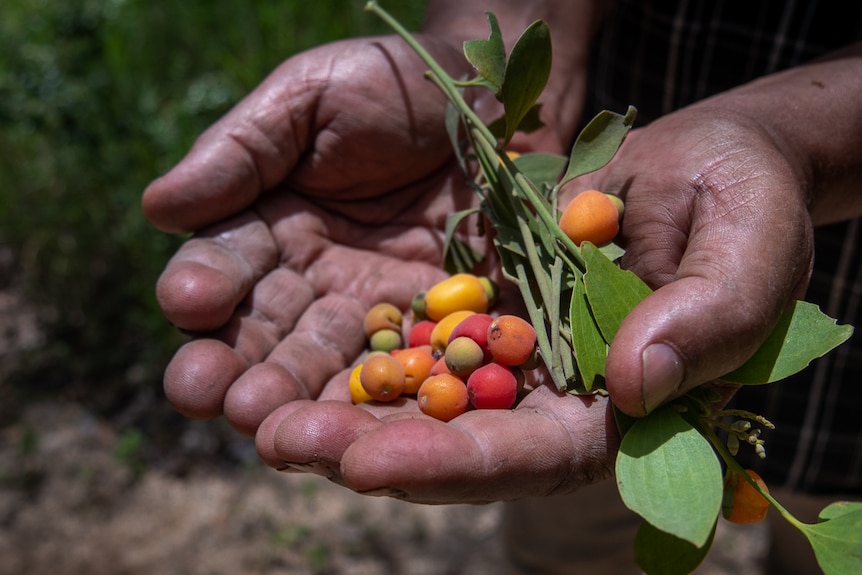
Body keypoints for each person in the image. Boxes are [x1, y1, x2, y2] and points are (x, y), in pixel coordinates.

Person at [141, 1, 862, 573]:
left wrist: (791, 139)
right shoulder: (510, 307)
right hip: (613, 298)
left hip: (844, 311)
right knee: (569, 544)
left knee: (817, 533)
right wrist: (479, 37)